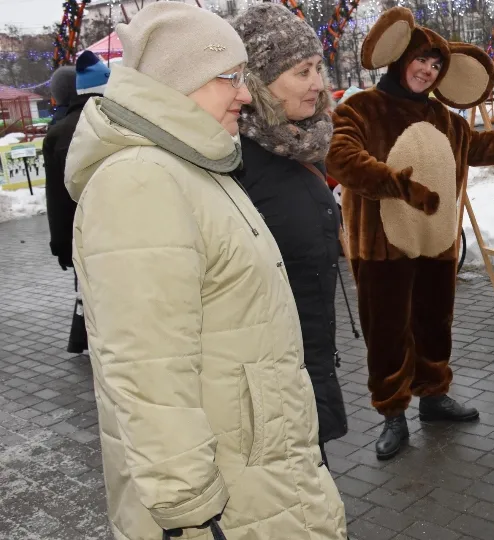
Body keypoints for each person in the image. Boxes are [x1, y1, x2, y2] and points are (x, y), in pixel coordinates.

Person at [63, 3, 347, 539]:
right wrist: (189, 504)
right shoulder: (142, 180)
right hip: (220, 501)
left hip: (251, 462)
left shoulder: (193, 164)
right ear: (180, 80)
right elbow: (148, 370)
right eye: (230, 78)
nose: (245, 93)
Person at [328, 6, 494, 461]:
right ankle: (393, 414)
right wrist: (395, 183)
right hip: (381, 247)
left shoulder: (447, 119)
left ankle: (433, 397)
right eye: (421, 61)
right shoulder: (361, 108)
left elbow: (481, 147)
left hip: (436, 243)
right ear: (400, 58)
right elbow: (340, 157)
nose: (428, 72)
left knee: (435, 325)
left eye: (436, 66)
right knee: (387, 332)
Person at [231, 3, 348, 464]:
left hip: (309, 356)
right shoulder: (236, 160)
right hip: (268, 384)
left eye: (318, 68)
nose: (318, 84)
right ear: (259, 79)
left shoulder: (300, 144)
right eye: (302, 71)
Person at [44, 51, 110, 354]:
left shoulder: (58, 133)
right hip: (114, 227)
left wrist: (60, 243)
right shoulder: (112, 119)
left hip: (80, 231)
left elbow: (57, 198)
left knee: (87, 288)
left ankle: (89, 341)